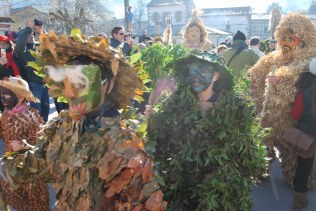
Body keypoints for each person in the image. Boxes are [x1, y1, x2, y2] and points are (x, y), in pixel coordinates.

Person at [0, 30, 166, 210]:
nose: (70, 93)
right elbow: (45, 160)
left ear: (108, 85)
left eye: (82, 84)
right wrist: (10, 167)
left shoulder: (125, 148)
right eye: (67, 83)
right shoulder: (64, 124)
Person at [146, 53, 267, 210]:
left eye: (202, 72)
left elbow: (243, 150)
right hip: (183, 180)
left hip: (216, 186)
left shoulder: (234, 106)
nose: (195, 77)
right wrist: (153, 119)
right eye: (192, 72)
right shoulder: (177, 102)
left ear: (216, 76)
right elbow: (164, 136)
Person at [249, 13, 316, 187]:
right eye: (283, 38)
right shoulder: (275, 57)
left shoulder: (309, 57)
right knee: (264, 143)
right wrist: (254, 81)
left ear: (302, 38)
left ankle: (298, 178)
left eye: (290, 38)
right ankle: (259, 169)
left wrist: (280, 78)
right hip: (268, 114)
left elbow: (299, 70)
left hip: (292, 117)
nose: (286, 42)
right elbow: (257, 72)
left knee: (291, 148)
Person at [0, 76, 50, 210]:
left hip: (31, 173)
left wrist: (23, 147)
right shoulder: (6, 115)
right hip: (12, 170)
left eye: (7, 94)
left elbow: (41, 148)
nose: (3, 98)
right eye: (1, 94)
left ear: (21, 97)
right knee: (19, 201)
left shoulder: (32, 117)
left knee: (35, 203)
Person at [289, 61, 316, 211]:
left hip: (307, 134)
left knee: (303, 168)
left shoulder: (303, 90)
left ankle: (299, 201)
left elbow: (295, 114)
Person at [15, 19, 50, 122]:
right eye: (29, 34)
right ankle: (37, 132)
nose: (32, 35)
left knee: (46, 108)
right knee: (36, 110)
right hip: (34, 84)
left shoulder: (38, 47)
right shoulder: (22, 51)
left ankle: (44, 130)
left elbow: (50, 44)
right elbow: (20, 43)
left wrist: (42, 31)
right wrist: (28, 28)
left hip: (45, 83)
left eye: (32, 33)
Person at [0, 35, 25, 112]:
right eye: (0, 44)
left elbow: (22, 72)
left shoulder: (15, 57)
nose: (3, 45)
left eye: (5, 43)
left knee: (18, 115)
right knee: (6, 116)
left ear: (9, 45)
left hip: (17, 91)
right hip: (3, 93)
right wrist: (1, 65)